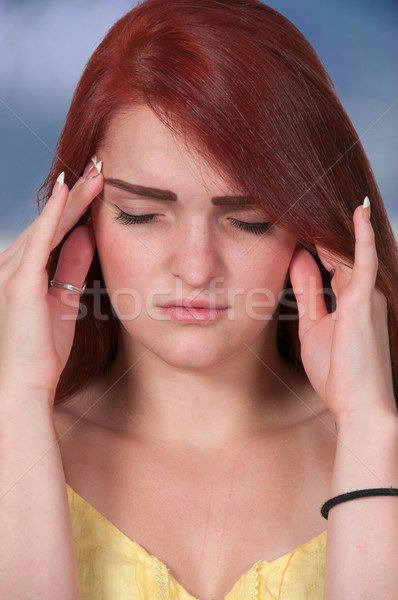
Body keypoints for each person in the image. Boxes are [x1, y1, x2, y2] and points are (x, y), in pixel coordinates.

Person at [1, 0, 397, 598]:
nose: (195, 268)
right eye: (142, 215)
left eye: (249, 222)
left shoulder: (383, 440)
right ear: (75, 222)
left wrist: (369, 428)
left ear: (315, 231)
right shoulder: (14, 435)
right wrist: (17, 403)